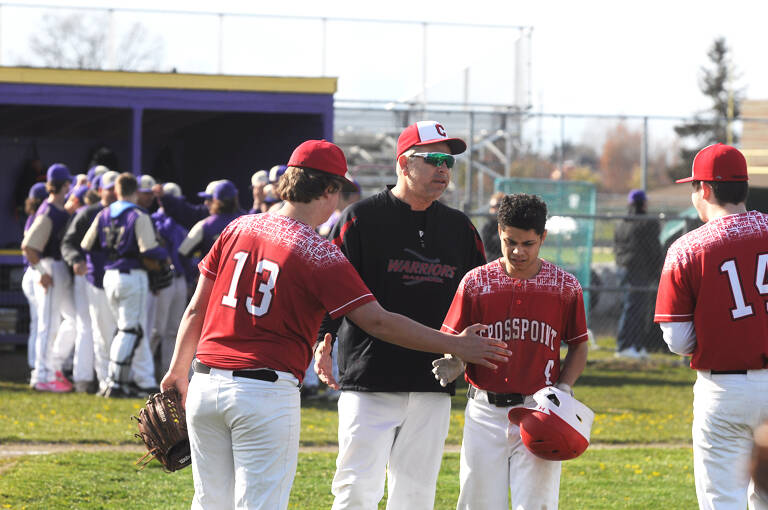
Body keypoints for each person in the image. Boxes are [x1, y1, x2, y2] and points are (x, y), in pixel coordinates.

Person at [159, 139, 508, 510]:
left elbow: (196, 309)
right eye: (338, 191)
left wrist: (177, 370)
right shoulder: (317, 251)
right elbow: (377, 321)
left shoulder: (238, 228)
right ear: (328, 190)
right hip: (264, 391)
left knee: (209, 503)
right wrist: (454, 344)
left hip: (204, 384)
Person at [313, 121, 487, 510]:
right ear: (404, 164)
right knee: (356, 487)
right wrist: (321, 341)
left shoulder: (458, 227)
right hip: (370, 375)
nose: (444, 169)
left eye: (449, 162)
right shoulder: (361, 218)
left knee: (416, 492)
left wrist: (464, 353)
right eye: (434, 160)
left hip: (432, 378)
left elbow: (479, 294)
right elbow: (328, 286)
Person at [434, 193, 589, 509]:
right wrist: (456, 358)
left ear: (542, 237)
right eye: (510, 241)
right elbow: (452, 339)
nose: (518, 251)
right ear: (499, 231)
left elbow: (579, 345)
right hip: (484, 409)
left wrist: (565, 387)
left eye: (528, 244)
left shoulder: (564, 286)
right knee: (477, 503)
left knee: (536, 504)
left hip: (539, 409)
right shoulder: (476, 282)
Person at [654, 143, 768, 510]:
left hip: (724, 389)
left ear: (704, 189)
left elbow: (677, 338)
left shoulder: (687, 249)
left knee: (723, 500)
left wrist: (722, 333)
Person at [81, 172, 168, 398]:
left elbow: (87, 244)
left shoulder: (104, 213)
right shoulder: (138, 214)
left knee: (126, 329)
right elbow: (147, 248)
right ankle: (116, 382)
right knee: (129, 330)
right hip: (132, 274)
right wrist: (165, 254)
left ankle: (141, 380)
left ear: (117, 190)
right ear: (135, 191)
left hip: (110, 275)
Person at [21, 163, 76, 392]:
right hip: (49, 267)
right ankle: (42, 375)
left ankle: (51, 367)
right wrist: (42, 273)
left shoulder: (55, 209)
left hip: (56, 268)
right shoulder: (48, 210)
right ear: (64, 185)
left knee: (73, 320)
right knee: (48, 324)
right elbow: (28, 247)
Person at [614, 189, 664, 359]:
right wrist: (657, 268)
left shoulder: (621, 222)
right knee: (634, 309)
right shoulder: (647, 222)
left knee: (631, 307)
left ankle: (635, 345)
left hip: (624, 268)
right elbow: (654, 248)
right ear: (643, 203)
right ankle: (625, 346)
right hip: (639, 270)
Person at [21, 182, 49, 378]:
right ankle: (38, 367)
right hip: (35, 272)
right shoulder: (38, 218)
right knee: (41, 322)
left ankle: (34, 363)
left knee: (37, 322)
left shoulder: (32, 217)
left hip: (30, 272)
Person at [178, 180, 243, 260]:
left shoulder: (204, 225)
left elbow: (182, 252)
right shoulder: (248, 222)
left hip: (213, 272)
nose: (205, 203)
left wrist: (197, 270)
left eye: (209, 199)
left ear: (216, 200)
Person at [480, 191, 504, 261]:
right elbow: (487, 250)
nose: (494, 210)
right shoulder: (487, 227)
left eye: (498, 206)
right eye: (492, 207)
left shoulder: (510, 227)